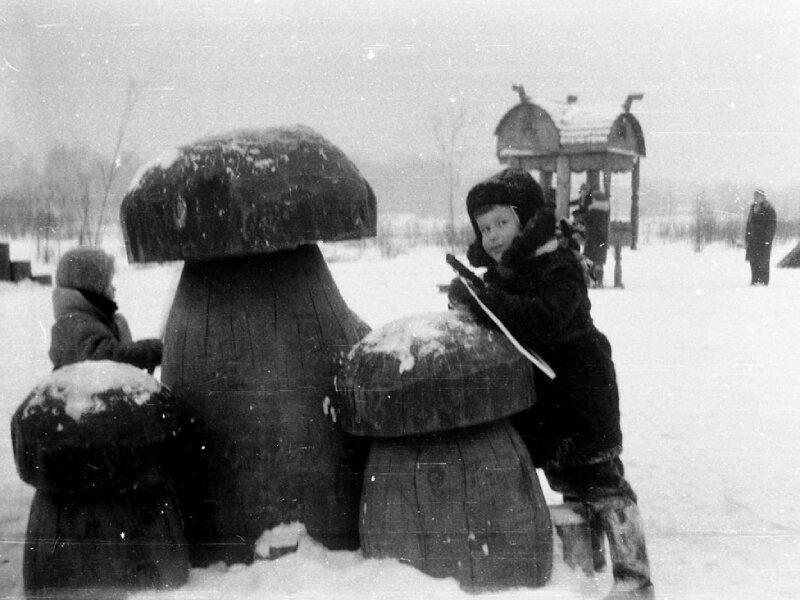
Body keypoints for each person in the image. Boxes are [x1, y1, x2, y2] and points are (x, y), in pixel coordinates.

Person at [449, 168, 654, 599]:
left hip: (582, 393)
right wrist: (472, 300)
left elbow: (542, 320)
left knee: (601, 481)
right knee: (566, 481)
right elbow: (507, 320)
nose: (493, 236)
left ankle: (634, 580)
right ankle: (585, 569)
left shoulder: (558, 263)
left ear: (526, 222)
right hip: (549, 397)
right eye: (485, 228)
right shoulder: (506, 276)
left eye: (503, 223)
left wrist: (487, 302)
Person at [49, 246, 163, 372]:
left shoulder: (91, 319)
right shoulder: (74, 325)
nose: (114, 289)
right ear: (92, 288)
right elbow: (109, 358)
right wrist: (149, 351)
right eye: (108, 284)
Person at [745, 188, 777, 285]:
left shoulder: (769, 209)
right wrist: (747, 237)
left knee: (763, 261)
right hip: (753, 239)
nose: (756, 198)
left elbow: (772, 226)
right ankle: (755, 280)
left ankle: (763, 282)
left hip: (763, 240)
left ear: (763, 197)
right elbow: (749, 224)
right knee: (753, 260)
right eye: (755, 196)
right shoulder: (752, 208)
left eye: (758, 196)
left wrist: (767, 239)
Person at [582, 189, 611, 287]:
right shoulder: (606, 211)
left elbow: (586, 221)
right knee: (599, 262)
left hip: (592, 238)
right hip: (602, 239)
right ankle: (599, 282)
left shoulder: (592, 210)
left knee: (588, 260)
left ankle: (589, 281)